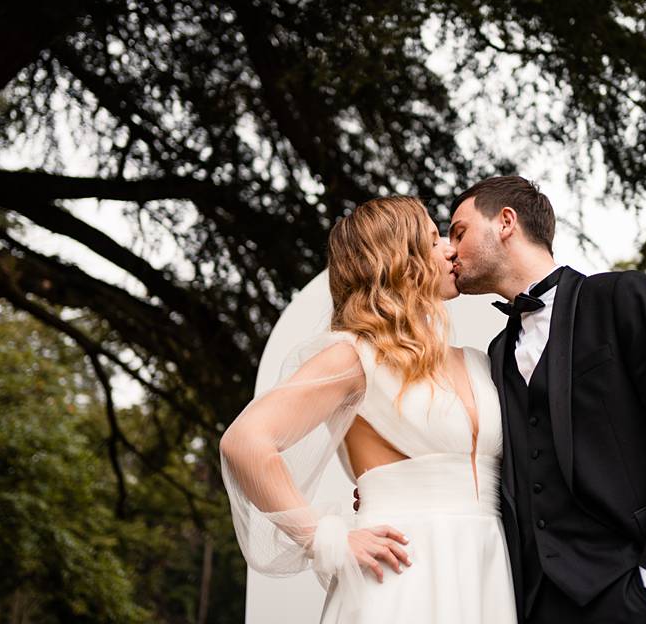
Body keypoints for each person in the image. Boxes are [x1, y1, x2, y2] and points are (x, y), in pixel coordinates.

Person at [448, 175, 646, 623]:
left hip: (643, 591)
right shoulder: (496, 354)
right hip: (543, 605)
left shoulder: (618, 298)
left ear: (506, 222)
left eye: (459, 231)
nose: (450, 250)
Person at [221, 196, 516, 623]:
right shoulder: (355, 356)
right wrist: (326, 538)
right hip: (402, 576)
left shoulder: (479, 361)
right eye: (434, 241)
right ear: (398, 259)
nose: (450, 250)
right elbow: (245, 442)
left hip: (487, 570)